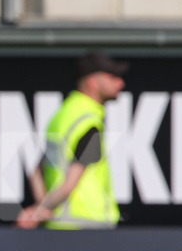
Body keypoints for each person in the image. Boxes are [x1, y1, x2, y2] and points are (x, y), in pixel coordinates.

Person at [16, 51, 126, 229]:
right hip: (89, 226)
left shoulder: (62, 115)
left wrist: (43, 208)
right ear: (93, 82)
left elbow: (36, 171)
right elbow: (69, 183)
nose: (120, 83)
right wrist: (40, 211)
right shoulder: (89, 123)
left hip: (59, 226)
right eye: (112, 77)